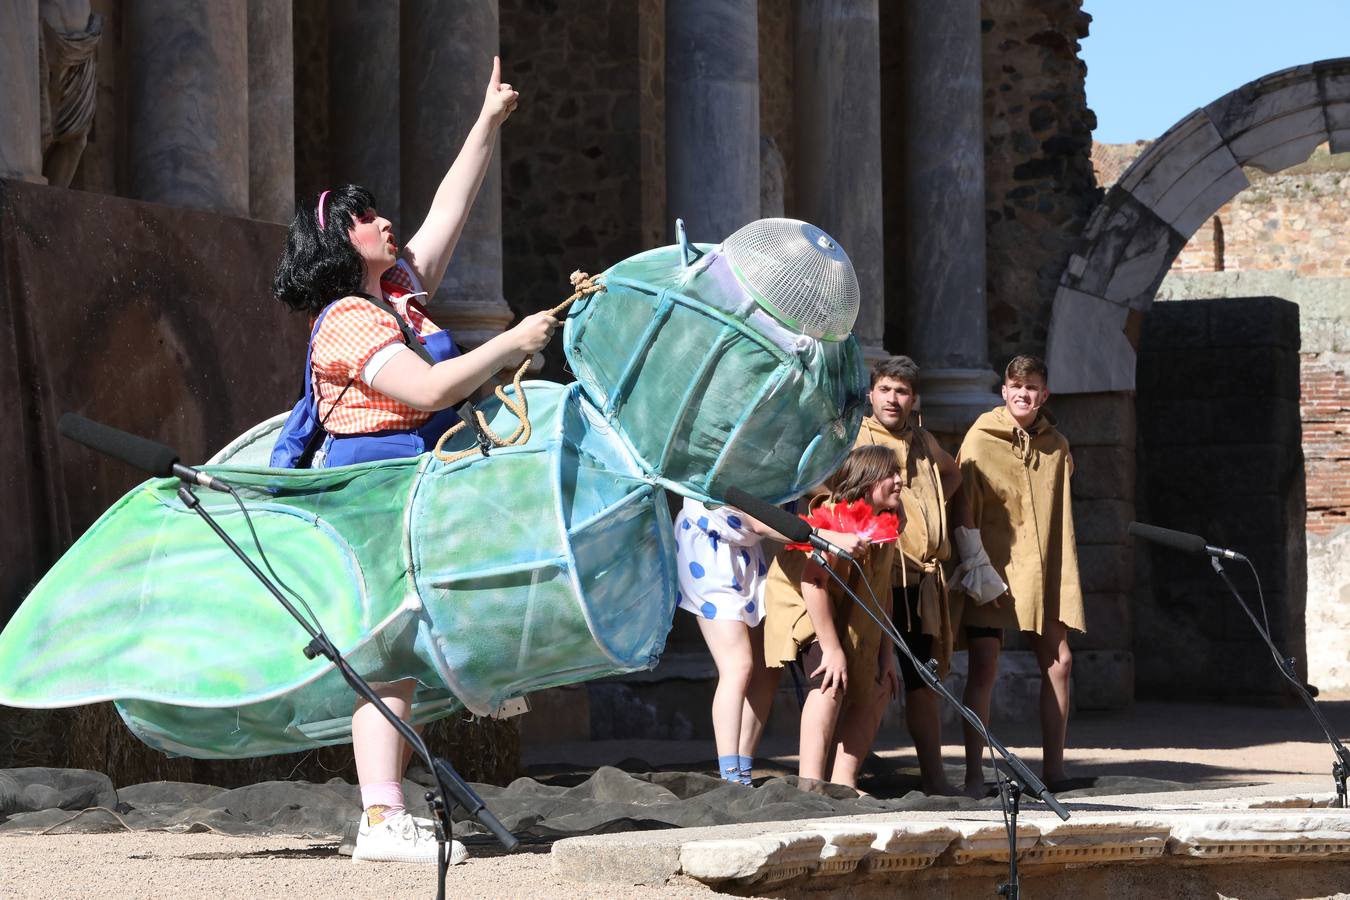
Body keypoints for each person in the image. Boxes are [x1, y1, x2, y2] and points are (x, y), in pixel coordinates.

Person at [271, 58, 558, 865]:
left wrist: (487, 122)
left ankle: (399, 796)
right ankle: (380, 820)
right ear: (341, 236)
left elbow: (448, 209)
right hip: (376, 484)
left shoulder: (397, 293)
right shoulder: (346, 323)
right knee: (390, 657)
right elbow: (429, 389)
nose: (384, 221)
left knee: (410, 654)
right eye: (366, 217)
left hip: (420, 480)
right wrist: (511, 342)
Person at [953, 354, 1086, 797]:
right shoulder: (980, 439)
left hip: (1042, 571)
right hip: (993, 569)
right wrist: (975, 566)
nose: (1023, 394)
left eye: (1032, 388)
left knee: (1060, 662)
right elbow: (964, 505)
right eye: (1016, 386)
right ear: (1004, 391)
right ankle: (974, 774)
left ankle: (1055, 771)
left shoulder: (1056, 445)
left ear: (1043, 395)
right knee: (985, 667)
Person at [675, 500, 864, 785]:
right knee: (738, 666)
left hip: (746, 551)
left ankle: (742, 770)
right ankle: (730, 779)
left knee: (767, 669)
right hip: (707, 548)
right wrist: (830, 536)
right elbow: (760, 520)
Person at [762, 445, 903, 790]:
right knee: (828, 679)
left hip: (848, 612)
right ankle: (809, 784)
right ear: (867, 481)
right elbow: (813, 581)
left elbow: (881, 593)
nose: (900, 481)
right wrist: (832, 649)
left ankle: (844, 783)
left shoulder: (883, 527)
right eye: (891, 474)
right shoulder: (836, 520)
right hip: (805, 607)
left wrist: (886, 655)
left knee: (878, 685)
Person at [854, 356, 962, 795]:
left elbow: (953, 475)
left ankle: (934, 778)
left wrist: (925, 518)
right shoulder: (855, 439)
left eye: (901, 392)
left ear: (913, 399)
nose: (893, 399)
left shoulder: (923, 441)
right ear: (871, 394)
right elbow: (824, 490)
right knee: (868, 678)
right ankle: (844, 777)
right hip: (871, 577)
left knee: (923, 681)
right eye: (885, 389)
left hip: (919, 584)